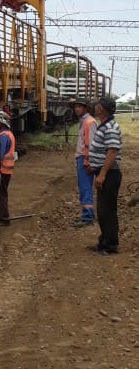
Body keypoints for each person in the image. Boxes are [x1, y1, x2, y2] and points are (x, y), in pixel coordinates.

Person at [89, 96, 122, 255]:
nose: (95, 107)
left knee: (107, 211)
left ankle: (110, 245)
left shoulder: (110, 127)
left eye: (97, 105)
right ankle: (104, 241)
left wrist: (102, 174)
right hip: (105, 173)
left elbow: (112, 151)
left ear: (101, 109)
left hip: (109, 173)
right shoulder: (104, 125)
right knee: (103, 210)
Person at [72, 97, 97, 226]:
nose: (76, 109)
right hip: (82, 157)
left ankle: (87, 217)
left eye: (79, 106)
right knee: (83, 187)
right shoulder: (84, 121)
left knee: (85, 186)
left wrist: (88, 161)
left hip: (85, 158)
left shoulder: (89, 122)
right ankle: (88, 214)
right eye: (75, 106)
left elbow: (92, 144)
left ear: (85, 108)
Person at [0, 111, 16, 226]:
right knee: (2, 193)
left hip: (2, 169)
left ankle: (3, 218)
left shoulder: (3, 136)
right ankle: (2, 217)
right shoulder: (7, 134)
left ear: (1, 122)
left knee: (1, 194)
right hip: (7, 169)